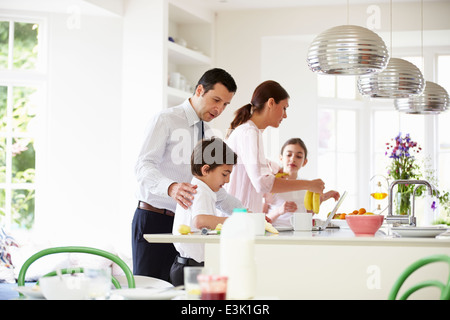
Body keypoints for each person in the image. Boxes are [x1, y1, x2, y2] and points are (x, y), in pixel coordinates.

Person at [133, 68, 243, 281]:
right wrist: (171, 187)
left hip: (187, 230)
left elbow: (216, 191)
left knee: (181, 295)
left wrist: (246, 214)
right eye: (216, 100)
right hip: (155, 218)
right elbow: (143, 166)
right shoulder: (165, 120)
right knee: (150, 289)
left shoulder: (209, 134)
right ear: (200, 90)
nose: (219, 108)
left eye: (225, 104)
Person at [225, 80, 325, 213]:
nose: (285, 115)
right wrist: (309, 184)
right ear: (271, 103)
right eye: (284, 108)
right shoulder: (249, 132)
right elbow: (263, 184)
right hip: (238, 219)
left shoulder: (249, 132)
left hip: (242, 217)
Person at [170, 137, 238, 286]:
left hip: (184, 264)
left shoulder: (199, 188)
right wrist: (235, 222)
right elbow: (201, 221)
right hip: (192, 267)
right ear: (206, 169)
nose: (227, 181)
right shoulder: (201, 191)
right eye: (225, 174)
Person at [263, 138, 340, 228]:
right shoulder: (273, 184)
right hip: (276, 233)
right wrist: (279, 211)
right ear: (281, 158)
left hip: (300, 233)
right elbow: (261, 219)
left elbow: (307, 214)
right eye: (288, 155)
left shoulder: (308, 187)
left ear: (305, 162)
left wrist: (323, 198)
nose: (293, 159)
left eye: (298, 156)